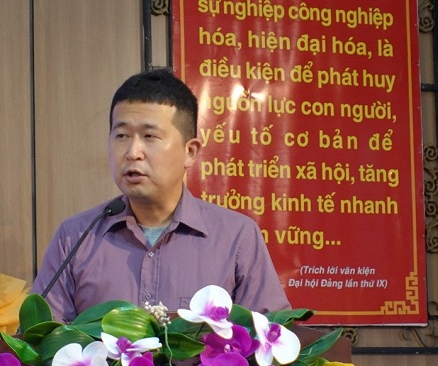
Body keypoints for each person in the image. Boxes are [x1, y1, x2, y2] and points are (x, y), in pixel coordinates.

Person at [31, 67, 289, 322]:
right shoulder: (75, 237)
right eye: (121, 135)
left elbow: (272, 335)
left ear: (190, 152)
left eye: (149, 136)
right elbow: (40, 336)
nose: (133, 152)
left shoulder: (237, 237)